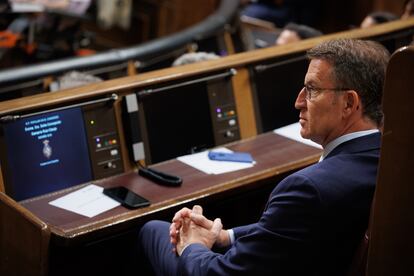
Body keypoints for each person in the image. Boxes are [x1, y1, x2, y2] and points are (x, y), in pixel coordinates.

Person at [138, 38, 390, 275]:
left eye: (312, 90)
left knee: (152, 231)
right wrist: (226, 236)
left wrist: (193, 245)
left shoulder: (307, 189)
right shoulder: (389, 159)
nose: (299, 102)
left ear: (349, 103)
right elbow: (294, 229)